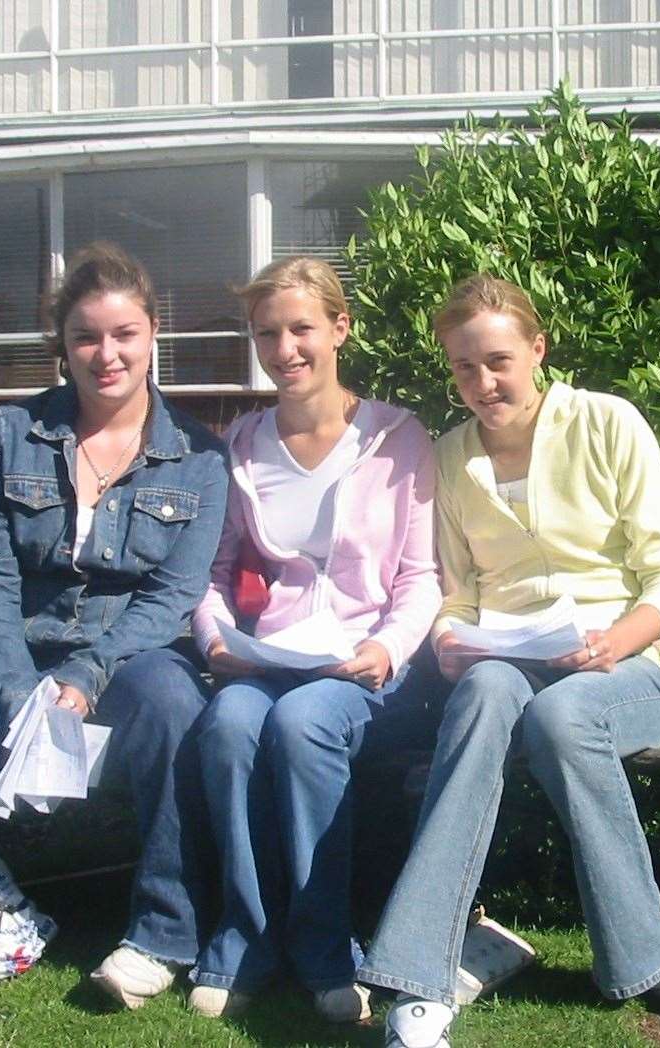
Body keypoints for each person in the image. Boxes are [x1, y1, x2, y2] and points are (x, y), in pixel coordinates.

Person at [357, 275, 660, 1047]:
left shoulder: (607, 423)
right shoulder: (449, 458)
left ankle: (653, 958)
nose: (483, 383)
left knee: (564, 716)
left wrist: (618, 640)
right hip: (507, 660)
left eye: (498, 361)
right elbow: (458, 595)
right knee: (483, 695)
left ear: (537, 349)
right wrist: (447, 639)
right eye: (464, 368)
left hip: (618, 670)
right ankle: (420, 975)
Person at [0, 243, 228, 1047]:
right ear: (62, 346)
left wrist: (89, 671)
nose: (108, 355)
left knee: (178, 706)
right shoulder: (12, 433)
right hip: (7, 653)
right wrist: (14, 687)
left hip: (127, 657)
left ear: (152, 336)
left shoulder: (201, 457)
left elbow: (173, 594)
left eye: (125, 335)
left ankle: (163, 935)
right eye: (87, 338)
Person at [188, 256, 440, 1022]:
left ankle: (327, 949)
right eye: (268, 333)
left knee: (304, 726)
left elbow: (422, 575)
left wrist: (389, 649)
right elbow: (214, 570)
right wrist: (214, 641)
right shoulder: (243, 442)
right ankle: (245, 939)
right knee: (228, 724)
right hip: (269, 656)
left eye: (302, 328)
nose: (285, 349)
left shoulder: (398, 436)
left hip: (362, 665)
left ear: (340, 328)